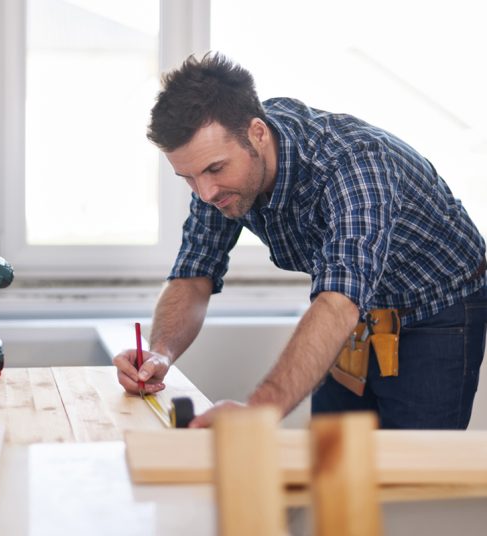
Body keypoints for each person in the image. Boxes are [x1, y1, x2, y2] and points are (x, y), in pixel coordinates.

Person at [113, 52, 487, 429]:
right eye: (189, 177)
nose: (205, 192)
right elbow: (194, 272)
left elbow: (340, 301)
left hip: (436, 308)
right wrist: (159, 354)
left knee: (409, 474)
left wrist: (259, 410)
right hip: (356, 317)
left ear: (258, 134)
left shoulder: (353, 163)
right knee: (329, 463)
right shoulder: (218, 172)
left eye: (214, 169)